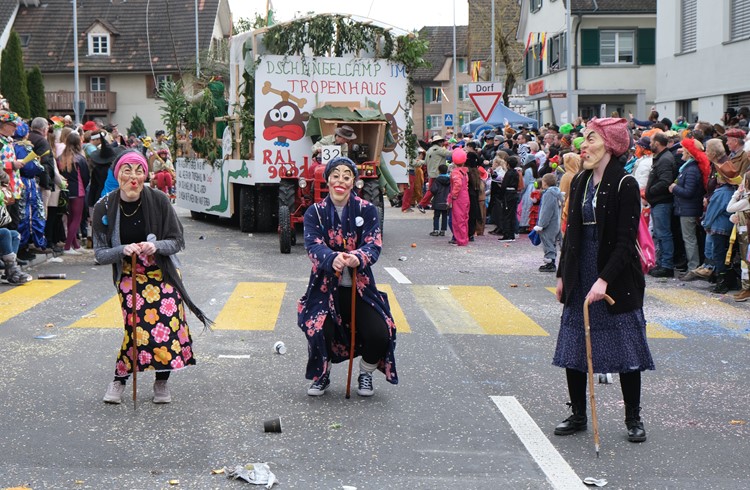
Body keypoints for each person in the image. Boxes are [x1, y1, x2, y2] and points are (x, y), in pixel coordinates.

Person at [554, 117, 654, 444]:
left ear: (610, 145)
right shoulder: (581, 180)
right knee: (575, 344)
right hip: (580, 268)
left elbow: (626, 244)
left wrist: (603, 281)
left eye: (592, 139)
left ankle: (633, 418)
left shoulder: (625, 184)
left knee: (625, 348)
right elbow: (571, 234)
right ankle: (579, 414)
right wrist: (561, 276)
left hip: (616, 274)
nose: (584, 146)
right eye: (584, 139)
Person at [93, 150, 212, 405]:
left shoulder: (159, 200)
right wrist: (122, 250)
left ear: (145, 174)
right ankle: (120, 378)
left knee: (166, 326)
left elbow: (177, 242)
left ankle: (161, 381)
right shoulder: (103, 207)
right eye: (127, 171)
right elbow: (101, 254)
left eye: (139, 171)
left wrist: (156, 246)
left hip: (162, 273)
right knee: (136, 329)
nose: (133, 177)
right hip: (129, 274)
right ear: (118, 175)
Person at [298, 156, 397, 397]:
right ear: (328, 179)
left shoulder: (368, 210)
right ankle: (323, 373)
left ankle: (366, 372)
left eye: (346, 176)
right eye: (335, 175)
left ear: (354, 182)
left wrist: (359, 257)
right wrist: (332, 258)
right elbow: (312, 245)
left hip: (359, 288)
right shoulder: (315, 213)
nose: (340, 181)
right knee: (318, 328)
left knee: (381, 331)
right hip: (324, 288)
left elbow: (374, 244)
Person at [669, 138, 709, 280]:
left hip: (688, 209)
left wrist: (674, 188)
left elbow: (688, 192)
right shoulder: (689, 167)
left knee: (689, 239)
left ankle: (693, 268)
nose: (680, 151)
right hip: (687, 208)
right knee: (690, 238)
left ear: (689, 152)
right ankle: (693, 266)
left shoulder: (691, 169)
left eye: (683, 149)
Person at [646, 133, 676, 277]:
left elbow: (665, 181)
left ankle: (666, 265)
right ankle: (662, 263)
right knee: (659, 234)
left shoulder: (664, 159)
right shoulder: (662, 157)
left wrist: (650, 191)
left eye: (651, 141)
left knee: (663, 234)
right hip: (658, 201)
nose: (650, 144)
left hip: (662, 201)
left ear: (657, 143)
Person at [57, 131, 90, 255]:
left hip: (65, 190)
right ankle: (67, 247)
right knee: (76, 219)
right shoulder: (80, 158)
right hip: (78, 190)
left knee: (70, 218)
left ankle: (75, 245)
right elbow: (86, 177)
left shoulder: (60, 157)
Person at [535, 173, 564, 272]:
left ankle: (550, 263)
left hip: (549, 223)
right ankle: (552, 261)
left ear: (545, 182)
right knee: (553, 242)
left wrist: (541, 224)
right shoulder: (556, 192)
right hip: (556, 222)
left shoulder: (548, 194)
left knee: (547, 242)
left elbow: (546, 210)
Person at [417, 135, 452, 212]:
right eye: (442, 141)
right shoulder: (439, 149)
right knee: (432, 190)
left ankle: (429, 204)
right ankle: (421, 204)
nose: (443, 143)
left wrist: (418, 162)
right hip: (438, 173)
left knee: (433, 190)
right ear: (439, 142)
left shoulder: (429, 150)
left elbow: (425, 162)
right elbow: (450, 154)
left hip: (431, 173)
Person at [448, 148, 470, 246]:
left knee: (458, 220)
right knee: (464, 219)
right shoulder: (464, 172)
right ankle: (464, 238)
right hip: (466, 197)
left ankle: (461, 240)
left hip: (459, 199)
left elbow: (457, 185)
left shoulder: (455, 172)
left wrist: (452, 196)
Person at [429, 164, 450, 236]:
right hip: (446, 201)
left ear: (439, 171)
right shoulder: (450, 180)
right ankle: (443, 230)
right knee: (444, 216)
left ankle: (436, 230)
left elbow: (433, 190)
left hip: (438, 200)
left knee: (436, 216)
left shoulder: (437, 180)